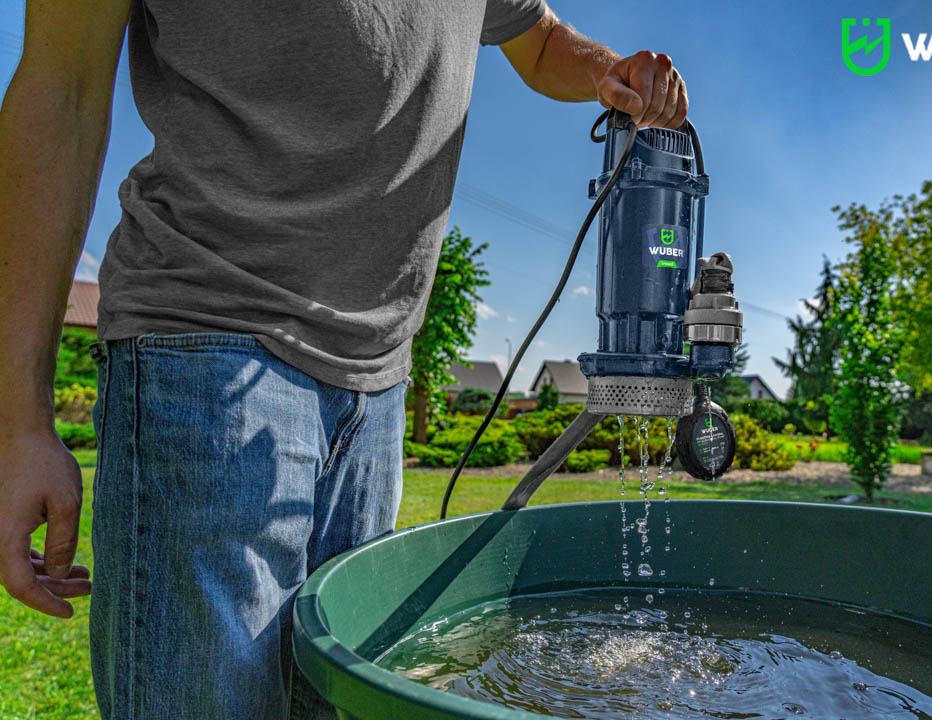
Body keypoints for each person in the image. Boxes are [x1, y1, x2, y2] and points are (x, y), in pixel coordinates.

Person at [0, 0, 689, 717]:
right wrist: (18, 420)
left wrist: (609, 69)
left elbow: (539, 41)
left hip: (378, 385)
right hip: (206, 350)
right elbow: (62, 85)